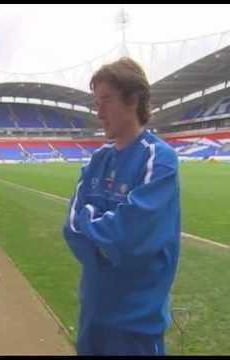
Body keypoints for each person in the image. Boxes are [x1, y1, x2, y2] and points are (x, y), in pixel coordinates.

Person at [62, 57, 180, 355]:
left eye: (105, 101)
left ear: (133, 99)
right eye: (96, 102)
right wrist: (106, 238)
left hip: (135, 327)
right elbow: (71, 228)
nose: (98, 112)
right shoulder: (98, 160)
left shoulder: (159, 159)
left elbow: (127, 236)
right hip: (92, 316)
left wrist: (97, 231)